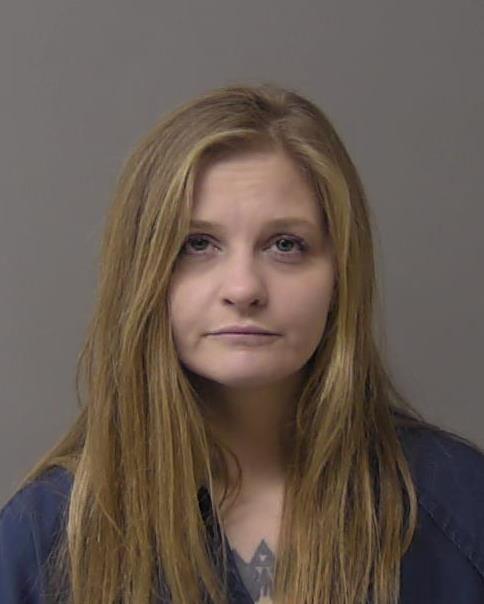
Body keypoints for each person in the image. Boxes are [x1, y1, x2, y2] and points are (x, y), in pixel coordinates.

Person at [1, 82, 483, 604]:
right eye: (198, 244)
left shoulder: (457, 504)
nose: (244, 288)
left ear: (341, 275)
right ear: (141, 273)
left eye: (285, 244)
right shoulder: (45, 536)